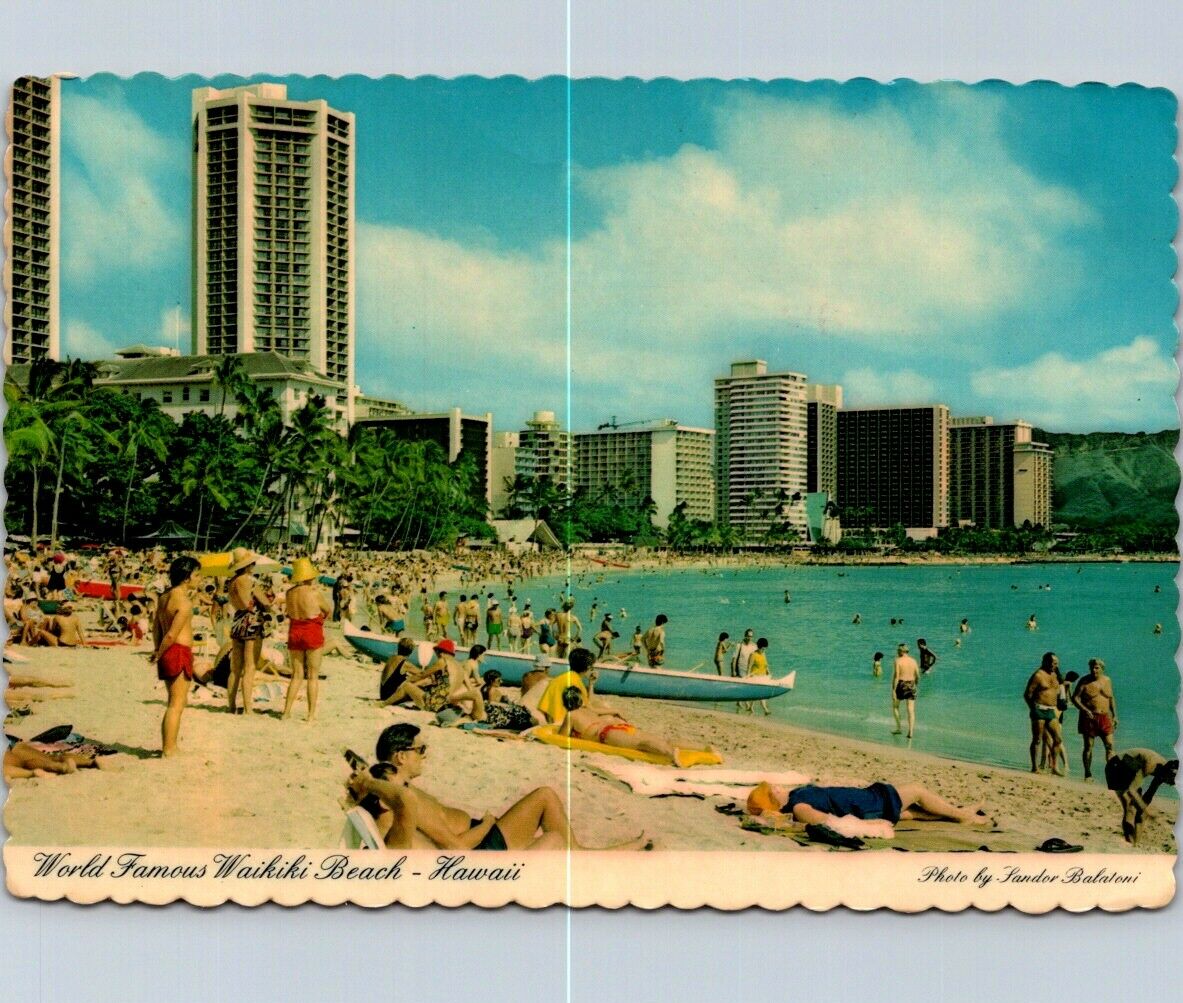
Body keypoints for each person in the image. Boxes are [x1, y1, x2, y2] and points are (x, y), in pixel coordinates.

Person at [348, 723, 646, 850]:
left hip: (481, 838)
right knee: (544, 797)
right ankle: (584, 856)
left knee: (547, 811)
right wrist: (489, 822)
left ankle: (580, 854)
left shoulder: (395, 790)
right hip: (483, 845)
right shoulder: (405, 799)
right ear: (401, 756)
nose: (425, 755)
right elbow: (455, 846)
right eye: (420, 749)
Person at [559, 687, 721, 766]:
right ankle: (704, 748)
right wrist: (591, 684)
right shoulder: (589, 709)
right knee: (664, 739)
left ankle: (671, 753)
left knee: (640, 745)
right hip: (618, 726)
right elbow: (602, 707)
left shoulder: (571, 715)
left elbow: (560, 737)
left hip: (606, 733)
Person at [748, 780, 992, 830]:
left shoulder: (796, 794)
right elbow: (830, 822)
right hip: (867, 807)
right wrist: (872, 824)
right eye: (773, 791)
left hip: (864, 798)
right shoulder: (799, 807)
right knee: (916, 790)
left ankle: (953, 816)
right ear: (773, 803)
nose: (778, 787)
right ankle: (961, 815)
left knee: (909, 814)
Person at [152, 556, 203, 757]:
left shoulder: (164, 597)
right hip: (178, 650)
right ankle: (169, 748)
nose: (199, 579)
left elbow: (157, 627)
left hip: (167, 650)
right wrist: (160, 651)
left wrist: (158, 650)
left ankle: (170, 746)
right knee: (176, 704)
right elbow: (173, 633)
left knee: (173, 702)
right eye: (197, 575)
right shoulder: (183, 601)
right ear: (186, 577)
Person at [282, 557, 333, 722]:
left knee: (296, 674)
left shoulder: (289, 593)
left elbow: (288, 613)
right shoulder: (314, 592)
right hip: (311, 630)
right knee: (313, 675)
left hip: (295, 630)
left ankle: (286, 712)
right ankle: (310, 715)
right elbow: (328, 610)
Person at [226, 548, 271, 715]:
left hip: (237, 621)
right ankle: (248, 708)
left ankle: (231, 706)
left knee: (235, 668)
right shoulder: (249, 580)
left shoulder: (231, 582)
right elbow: (265, 604)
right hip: (251, 621)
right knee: (250, 667)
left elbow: (239, 604)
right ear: (247, 565)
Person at [1104, 749, 1177, 845]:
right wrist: (1147, 811)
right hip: (1116, 766)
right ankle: (1131, 843)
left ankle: (1135, 844)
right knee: (1130, 809)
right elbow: (1132, 790)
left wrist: (1144, 811)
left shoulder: (1163, 772)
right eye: (1173, 781)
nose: (1172, 785)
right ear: (1171, 772)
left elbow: (1148, 796)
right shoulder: (1151, 763)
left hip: (1126, 767)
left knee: (1138, 811)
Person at [1072, 658, 1118, 780]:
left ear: (1102, 669)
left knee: (1110, 746)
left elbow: (1111, 698)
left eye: (1097, 667)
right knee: (1088, 746)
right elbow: (1075, 698)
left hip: (1105, 717)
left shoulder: (1107, 680)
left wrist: (1115, 715)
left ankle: (1112, 774)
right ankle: (1088, 774)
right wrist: (1085, 710)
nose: (1094, 670)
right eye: (1092, 667)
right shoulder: (1084, 681)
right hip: (1089, 718)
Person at [1023, 652, 1063, 775]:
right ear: (1045, 662)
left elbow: (1057, 690)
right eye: (1052, 663)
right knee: (1037, 739)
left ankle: (1054, 767)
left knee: (1058, 739)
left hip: (1051, 710)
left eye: (1056, 663)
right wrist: (1033, 709)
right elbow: (1027, 694)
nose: (1054, 665)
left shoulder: (1055, 674)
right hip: (1039, 709)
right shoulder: (1038, 675)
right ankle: (1035, 767)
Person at [536, 646, 597, 726]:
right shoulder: (576, 683)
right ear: (588, 667)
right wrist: (615, 710)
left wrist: (591, 684)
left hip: (553, 722)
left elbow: (545, 708)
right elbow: (589, 709)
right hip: (565, 725)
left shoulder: (559, 679)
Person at [890, 642, 919, 738]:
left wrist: (893, 690)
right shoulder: (914, 661)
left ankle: (899, 728)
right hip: (912, 684)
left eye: (898, 650)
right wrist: (916, 685)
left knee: (895, 706)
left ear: (902, 651)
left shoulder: (898, 661)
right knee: (911, 710)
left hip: (902, 684)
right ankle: (910, 732)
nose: (897, 652)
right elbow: (917, 676)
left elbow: (896, 676)